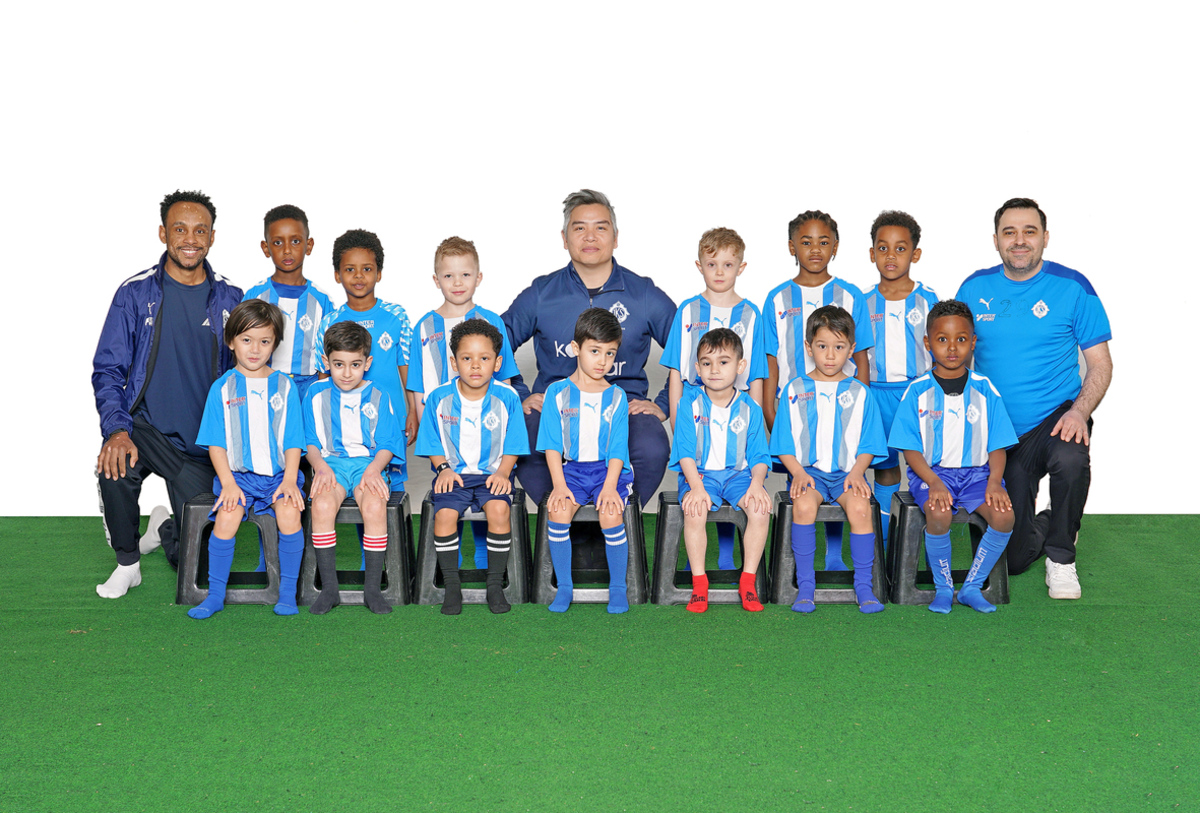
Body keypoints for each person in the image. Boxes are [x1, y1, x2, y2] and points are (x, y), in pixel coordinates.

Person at [956, 198, 1112, 599]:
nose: (1019, 240)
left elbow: (1100, 364)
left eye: (1029, 231)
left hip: (1056, 417)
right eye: (1009, 232)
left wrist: (1079, 412)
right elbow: (957, 361)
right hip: (1001, 434)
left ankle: (1061, 557)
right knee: (1012, 559)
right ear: (996, 240)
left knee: (1071, 457)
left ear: (1045, 237)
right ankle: (1050, 522)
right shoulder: (974, 288)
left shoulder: (1074, 287)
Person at [93, 190, 243, 598]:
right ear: (163, 233)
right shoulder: (135, 293)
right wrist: (116, 430)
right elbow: (108, 370)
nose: (190, 239)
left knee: (198, 567)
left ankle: (164, 528)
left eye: (200, 230)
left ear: (212, 237)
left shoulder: (231, 298)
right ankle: (128, 564)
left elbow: (247, 372)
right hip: (146, 430)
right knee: (115, 463)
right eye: (180, 229)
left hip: (202, 445)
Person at [503, 189, 676, 508]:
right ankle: (563, 519)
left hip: (623, 405)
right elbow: (494, 343)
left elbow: (690, 351)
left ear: (616, 236)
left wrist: (664, 404)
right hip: (556, 406)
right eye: (580, 227)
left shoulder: (643, 294)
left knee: (652, 446)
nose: (590, 236)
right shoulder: (542, 293)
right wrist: (518, 394)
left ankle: (618, 518)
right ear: (564, 238)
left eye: (601, 227)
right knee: (523, 438)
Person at [888, 301, 1017, 613]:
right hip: (933, 475)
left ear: (972, 343)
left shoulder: (985, 389)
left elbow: (997, 444)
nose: (952, 347)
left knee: (1004, 516)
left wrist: (995, 482)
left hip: (978, 476)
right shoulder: (917, 391)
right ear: (927, 343)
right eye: (942, 339)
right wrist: (933, 482)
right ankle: (944, 587)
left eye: (961, 339)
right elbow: (910, 448)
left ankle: (972, 586)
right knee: (939, 513)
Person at [763, 210, 874, 571]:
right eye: (806, 241)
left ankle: (834, 555)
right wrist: (770, 410)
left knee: (840, 473)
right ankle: (801, 570)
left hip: (844, 406)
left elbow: (861, 357)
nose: (815, 249)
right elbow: (771, 360)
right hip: (796, 408)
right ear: (791, 247)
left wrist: (858, 404)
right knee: (805, 484)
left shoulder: (851, 295)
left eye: (823, 242)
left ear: (835, 247)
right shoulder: (776, 299)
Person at [408, 236, 520, 570]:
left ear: (478, 277)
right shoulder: (423, 326)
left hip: (486, 432)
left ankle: (484, 558)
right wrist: (420, 419)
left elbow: (506, 381)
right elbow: (417, 383)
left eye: (465, 275)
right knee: (451, 491)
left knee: (486, 488)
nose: (457, 283)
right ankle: (451, 564)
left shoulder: (492, 321)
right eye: (449, 276)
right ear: (436, 280)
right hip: (444, 431)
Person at [189, 300, 306, 619]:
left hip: (279, 475)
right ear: (231, 342)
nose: (255, 349)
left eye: (264, 341)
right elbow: (216, 444)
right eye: (246, 340)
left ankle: (287, 593)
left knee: (289, 515)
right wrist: (228, 484)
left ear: (275, 344)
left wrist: (289, 480)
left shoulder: (285, 385)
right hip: (237, 477)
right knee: (226, 519)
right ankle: (215, 596)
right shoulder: (221, 388)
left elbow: (293, 440)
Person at [769, 306, 888, 614]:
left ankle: (864, 586)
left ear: (851, 349)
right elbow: (783, 442)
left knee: (861, 509)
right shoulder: (795, 389)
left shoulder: (861, 392)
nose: (830, 355)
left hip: (848, 475)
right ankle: (806, 586)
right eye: (822, 346)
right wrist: (797, 472)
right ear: (809, 347)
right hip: (810, 474)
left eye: (839, 347)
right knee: (804, 507)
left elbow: (870, 442)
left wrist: (858, 472)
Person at [661, 227, 767, 571]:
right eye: (711, 264)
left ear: (741, 267)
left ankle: (727, 556)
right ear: (699, 266)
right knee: (703, 482)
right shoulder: (688, 311)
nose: (719, 272)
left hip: (736, 407)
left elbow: (756, 375)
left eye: (727, 264)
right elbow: (677, 373)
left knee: (732, 472)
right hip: (697, 408)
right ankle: (702, 565)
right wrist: (677, 426)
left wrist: (757, 422)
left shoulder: (751, 314)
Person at [415, 320, 529, 615]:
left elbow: (515, 441)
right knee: (444, 515)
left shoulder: (507, 397)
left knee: (499, 511)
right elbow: (431, 440)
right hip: (454, 475)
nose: (475, 365)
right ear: (454, 363)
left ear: (497, 363)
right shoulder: (438, 398)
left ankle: (494, 585)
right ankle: (452, 586)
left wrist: (504, 472)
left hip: (493, 475)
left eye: (484, 358)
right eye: (466, 358)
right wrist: (443, 469)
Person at [537, 309, 636, 615]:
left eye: (610, 353)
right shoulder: (557, 393)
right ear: (575, 348)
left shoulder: (617, 396)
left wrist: (609, 487)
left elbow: (618, 449)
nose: (602, 361)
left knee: (610, 513)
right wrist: (559, 485)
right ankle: (565, 587)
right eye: (595, 351)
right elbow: (552, 446)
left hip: (610, 472)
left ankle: (617, 589)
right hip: (573, 472)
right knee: (558, 510)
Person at [303, 322, 406, 615]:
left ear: (367, 363)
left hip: (367, 466)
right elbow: (310, 442)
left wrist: (375, 469)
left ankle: (372, 590)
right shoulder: (314, 394)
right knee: (322, 506)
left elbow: (387, 443)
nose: (347, 373)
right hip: (331, 466)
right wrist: (320, 467)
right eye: (339, 364)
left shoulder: (379, 395)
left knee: (373, 506)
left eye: (355, 365)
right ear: (326, 362)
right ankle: (330, 590)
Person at [669, 329, 771, 613]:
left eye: (723, 362)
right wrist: (696, 487)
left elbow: (759, 456)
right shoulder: (688, 404)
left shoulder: (750, 408)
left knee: (760, 510)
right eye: (706, 363)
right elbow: (684, 452)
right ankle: (699, 584)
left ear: (740, 366)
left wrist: (756, 483)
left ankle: (747, 582)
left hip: (739, 477)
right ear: (697, 367)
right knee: (695, 510)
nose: (714, 369)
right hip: (700, 476)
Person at [315, 229, 415, 495]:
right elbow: (323, 381)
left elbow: (407, 368)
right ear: (337, 275)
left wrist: (413, 411)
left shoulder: (396, 316)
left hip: (390, 419)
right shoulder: (329, 322)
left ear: (379, 273)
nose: (358, 276)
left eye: (367, 269)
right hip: (344, 426)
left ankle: (392, 525)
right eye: (350, 269)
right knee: (351, 487)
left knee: (390, 489)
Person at [863, 211, 939, 546]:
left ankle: (924, 539)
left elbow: (941, 349)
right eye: (883, 248)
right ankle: (884, 542)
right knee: (884, 467)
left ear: (915, 254)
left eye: (900, 248)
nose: (890, 256)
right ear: (872, 253)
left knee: (924, 465)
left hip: (917, 395)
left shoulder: (928, 300)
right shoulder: (863, 302)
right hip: (876, 394)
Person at [244, 204, 335, 401]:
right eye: (278, 243)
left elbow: (329, 350)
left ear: (308, 245)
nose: (287, 250)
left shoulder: (321, 300)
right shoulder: (255, 296)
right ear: (266, 248)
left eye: (295, 241)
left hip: (308, 387)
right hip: (265, 384)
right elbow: (242, 345)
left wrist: (322, 392)